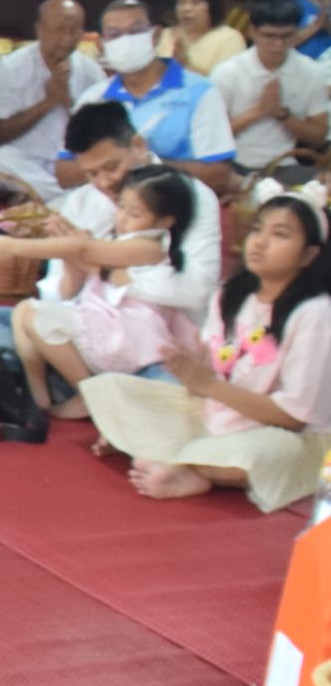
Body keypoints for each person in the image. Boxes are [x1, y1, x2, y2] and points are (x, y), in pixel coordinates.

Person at [0, 102, 227, 424]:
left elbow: (195, 291)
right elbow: (59, 296)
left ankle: (86, 393)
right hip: (88, 332)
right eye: (92, 173)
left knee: (173, 397)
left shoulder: (189, 196)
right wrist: (75, 268)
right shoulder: (84, 200)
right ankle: (80, 391)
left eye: (112, 167)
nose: (105, 182)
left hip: (155, 346)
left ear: (138, 146)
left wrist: (104, 268)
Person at [82, 196, 331, 512]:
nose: (260, 242)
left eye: (280, 234)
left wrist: (210, 386)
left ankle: (192, 468)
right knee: (113, 388)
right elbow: (209, 373)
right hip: (220, 415)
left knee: (255, 455)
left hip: (289, 437)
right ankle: (181, 456)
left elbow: (294, 417)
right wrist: (189, 367)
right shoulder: (231, 294)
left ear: (309, 254)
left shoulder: (315, 313)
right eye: (257, 230)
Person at [0, 166, 197, 442]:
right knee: (21, 312)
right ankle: (37, 399)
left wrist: (14, 247)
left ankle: (88, 392)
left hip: (127, 337)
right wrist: (72, 256)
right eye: (121, 207)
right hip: (102, 324)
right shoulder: (117, 240)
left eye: (134, 214)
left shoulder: (149, 247)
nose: (122, 218)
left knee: (36, 315)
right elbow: (77, 273)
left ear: (165, 221)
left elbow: (85, 252)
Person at [66, 0, 235, 195]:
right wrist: (115, 164)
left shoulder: (200, 92)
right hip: (107, 213)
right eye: (114, 34)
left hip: (178, 210)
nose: (126, 40)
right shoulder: (93, 98)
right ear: (102, 46)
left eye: (136, 31)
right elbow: (64, 172)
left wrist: (148, 164)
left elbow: (219, 176)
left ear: (155, 36)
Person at [0, 0, 103, 202]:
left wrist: (69, 103)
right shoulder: (13, 67)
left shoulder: (92, 72)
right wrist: (49, 102)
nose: (67, 38)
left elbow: (97, 132)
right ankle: (63, 202)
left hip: (68, 163)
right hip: (21, 158)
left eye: (74, 31)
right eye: (60, 30)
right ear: (40, 30)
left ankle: (35, 196)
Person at [211, 0, 329, 171]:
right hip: (231, 163)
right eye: (269, 36)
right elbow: (213, 133)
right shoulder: (227, 72)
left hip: (286, 163)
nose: (278, 45)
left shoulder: (312, 72)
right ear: (253, 31)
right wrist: (259, 111)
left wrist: (282, 115)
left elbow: (318, 136)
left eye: (286, 36)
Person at [161, 0, 246, 76]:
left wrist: (184, 65)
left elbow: (224, 85)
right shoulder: (166, 35)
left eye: (195, 2)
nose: (186, 9)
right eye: (181, 3)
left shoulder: (230, 38)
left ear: (212, 6)